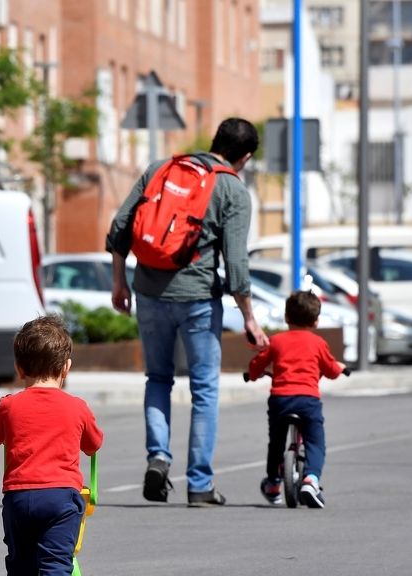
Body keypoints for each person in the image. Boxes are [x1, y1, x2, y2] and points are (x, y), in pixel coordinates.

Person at [107, 117, 269, 507]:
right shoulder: (231, 189)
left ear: (214, 140)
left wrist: (119, 282)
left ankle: (158, 457)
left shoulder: (160, 169)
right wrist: (248, 316)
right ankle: (199, 483)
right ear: (244, 157)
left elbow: (119, 227)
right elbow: (235, 263)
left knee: (158, 379)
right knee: (204, 389)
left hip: (148, 294)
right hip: (197, 300)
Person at [0, 315, 104, 576]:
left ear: (19, 368)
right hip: (61, 498)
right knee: (56, 565)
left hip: (18, 497)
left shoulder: (8, 405)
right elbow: (94, 444)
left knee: (21, 566)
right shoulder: (77, 406)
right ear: (66, 368)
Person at [247, 291, 346, 509]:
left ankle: (273, 483)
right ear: (316, 320)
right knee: (315, 441)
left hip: (281, 400)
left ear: (286, 317)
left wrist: (252, 374)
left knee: (276, 443)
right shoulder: (318, 343)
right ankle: (311, 480)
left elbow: (257, 365)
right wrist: (339, 368)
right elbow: (330, 370)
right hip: (308, 401)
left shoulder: (276, 341)